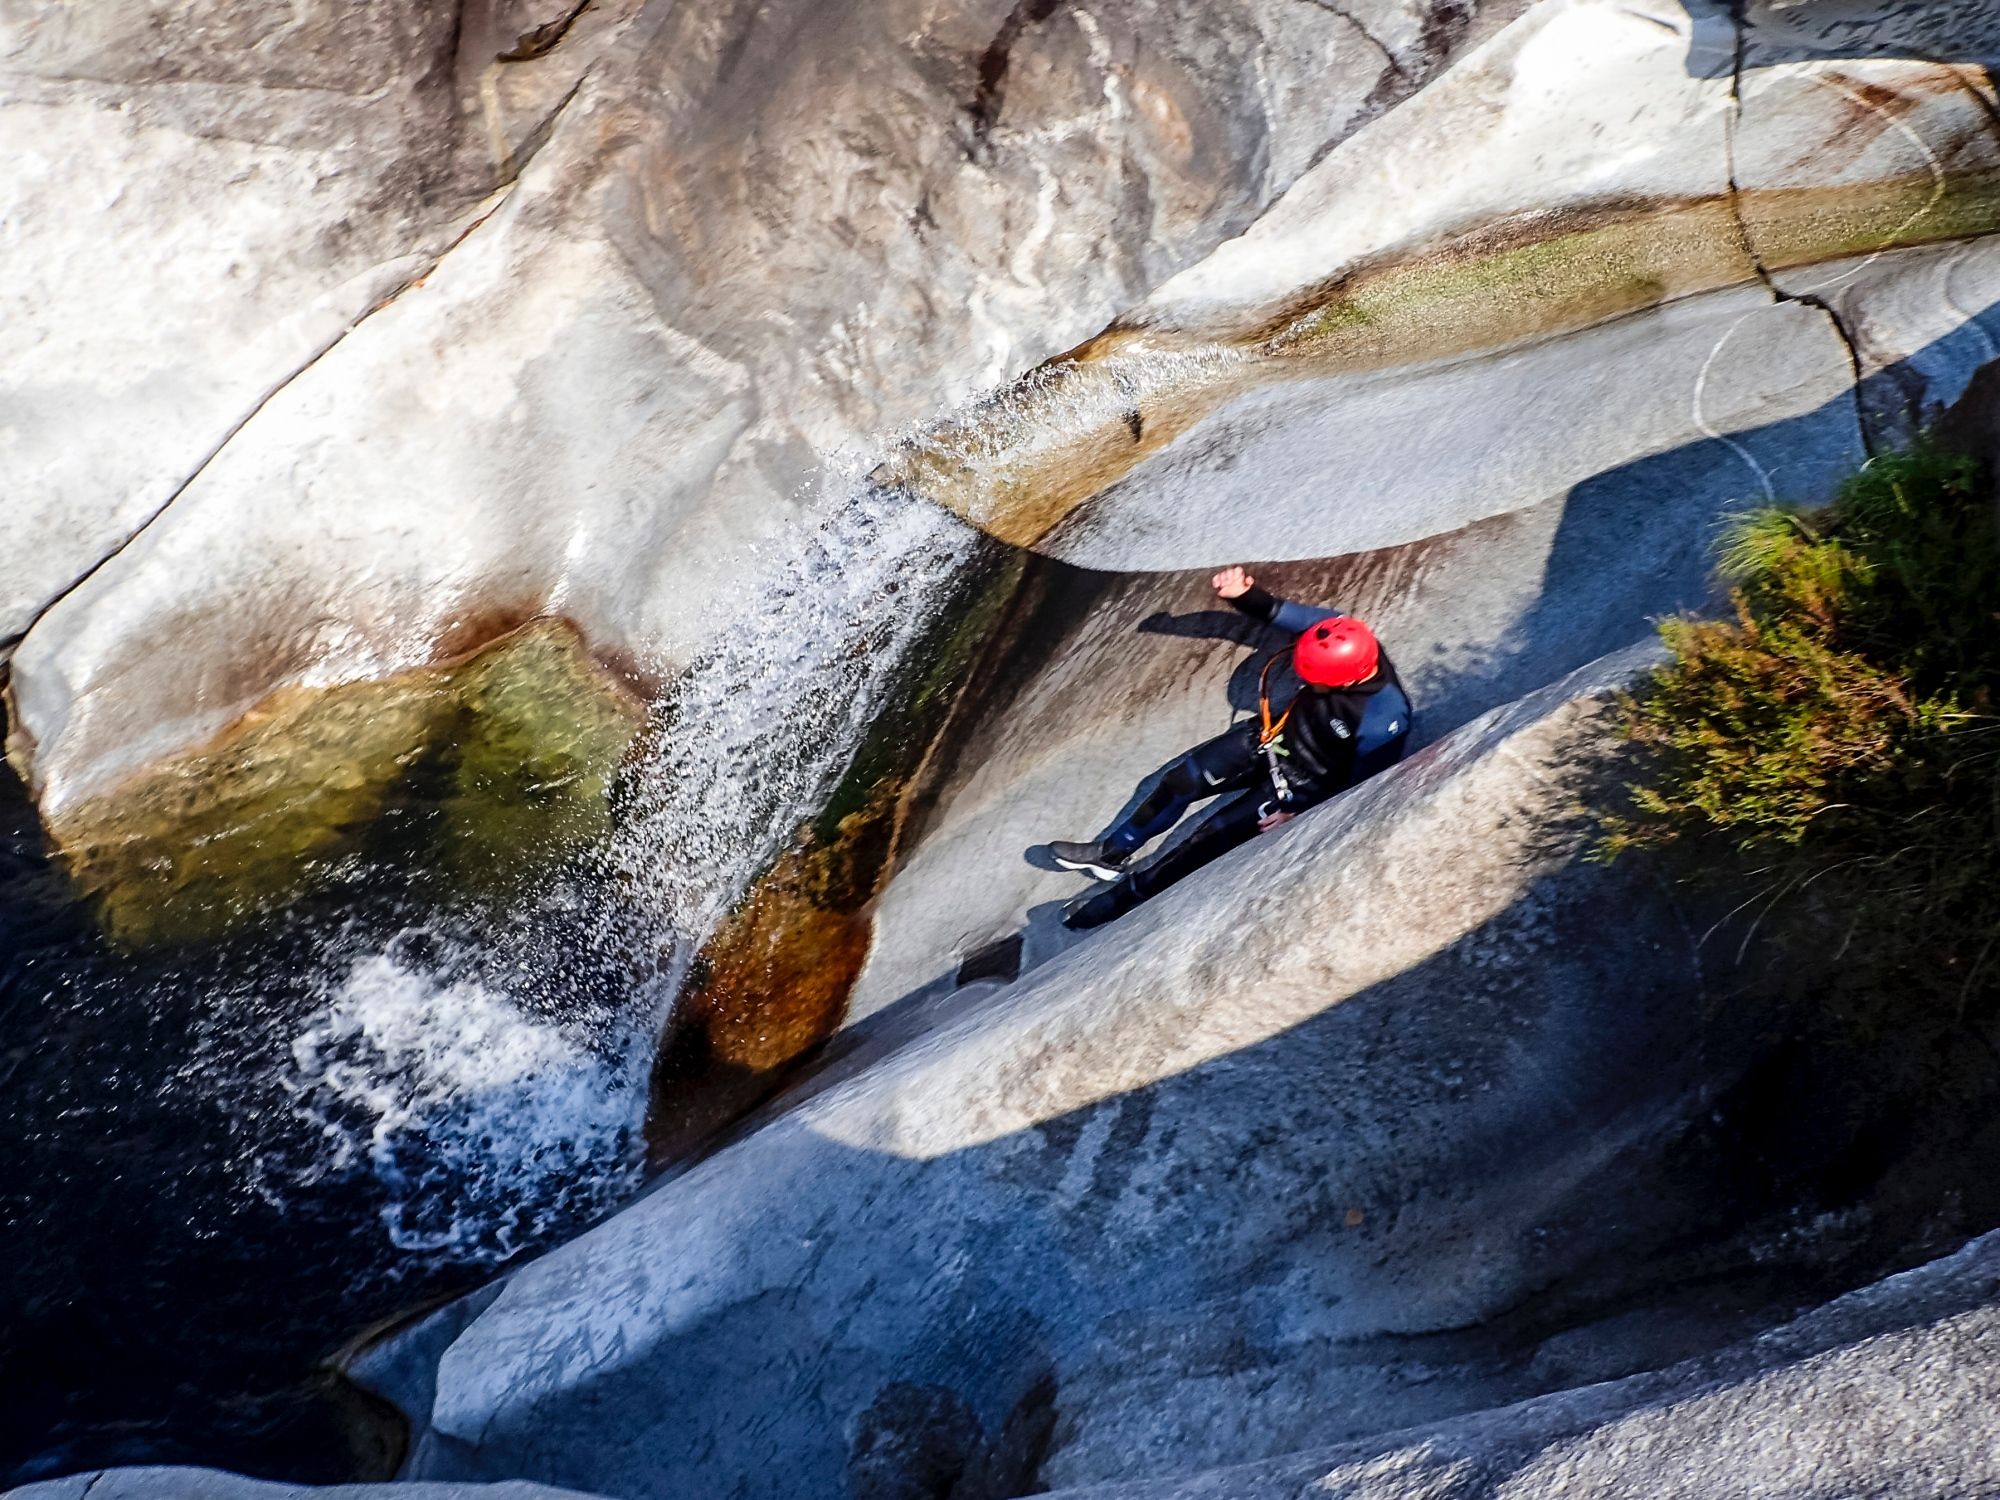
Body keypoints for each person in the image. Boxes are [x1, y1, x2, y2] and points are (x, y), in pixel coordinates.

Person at [1049, 565, 1413, 930]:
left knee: (1203, 841)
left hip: (1301, 783)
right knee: (1181, 781)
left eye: (1313, 681)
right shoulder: (1339, 632)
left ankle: (1123, 899)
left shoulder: (1384, 718)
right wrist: (1242, 595)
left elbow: (1362, 786)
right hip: (1272, 736)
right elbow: (1278, 611)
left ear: (1346, 681)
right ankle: (1111, 853)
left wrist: (1300, 813)